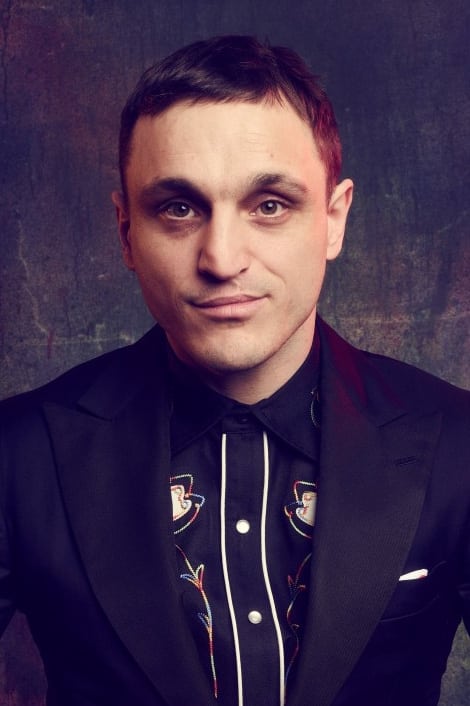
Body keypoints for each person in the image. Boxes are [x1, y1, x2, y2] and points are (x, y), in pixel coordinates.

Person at [0, 34, 469, 706]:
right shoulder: (19, 453)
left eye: (269, 205)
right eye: (179, 208)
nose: (222, 259)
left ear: (334, 220)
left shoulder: (456, 442)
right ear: (126, 231)